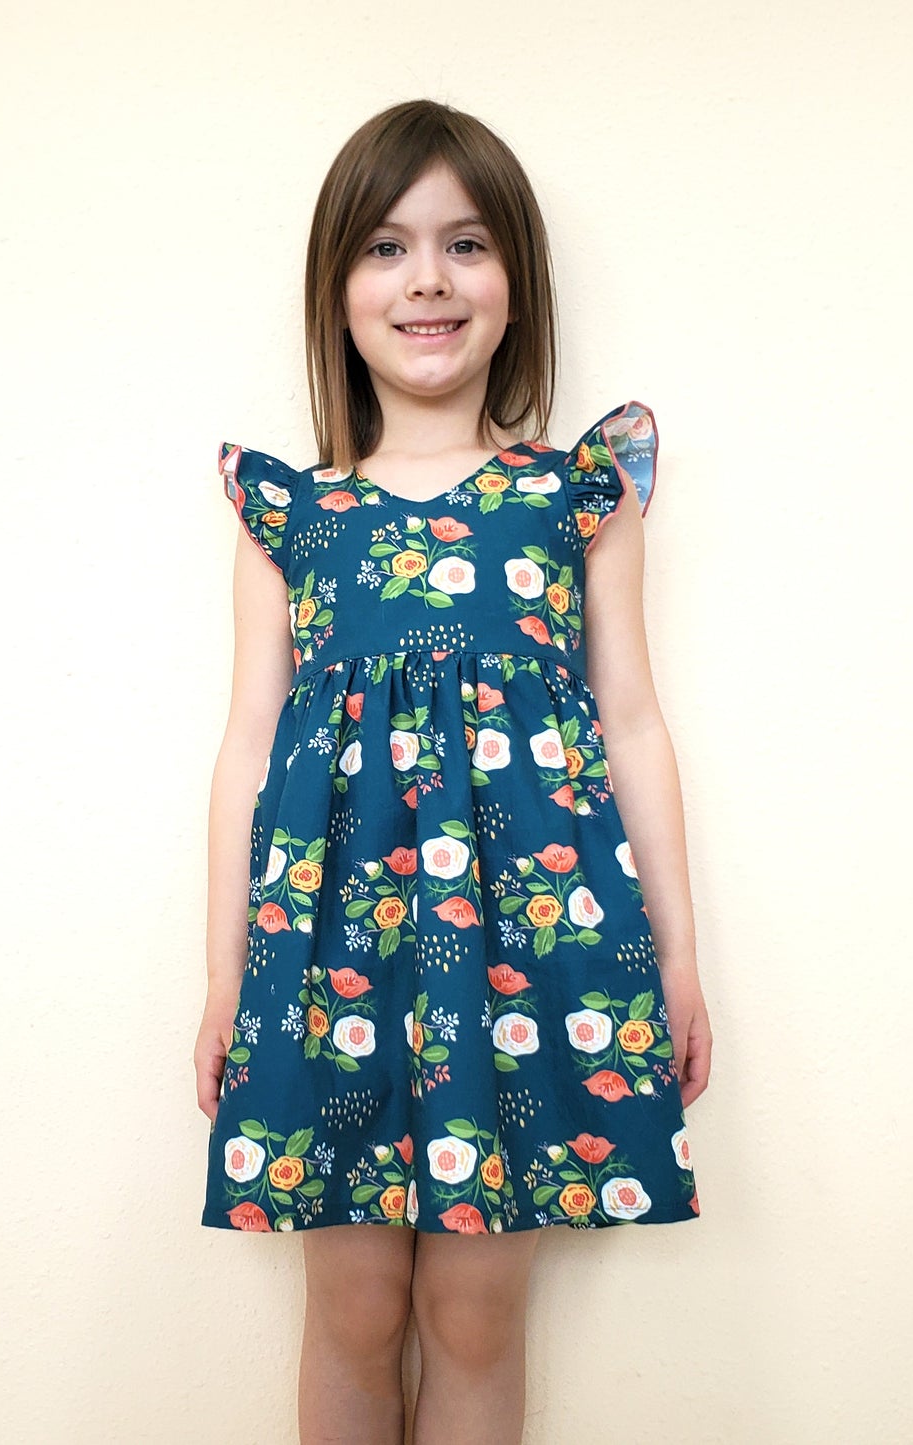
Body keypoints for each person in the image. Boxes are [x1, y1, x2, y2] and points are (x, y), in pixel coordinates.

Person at [192, 98, 714, 1445]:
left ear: (514, 284)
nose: (426, 278)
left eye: (464, 244)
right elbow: (249, 744)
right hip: (331, 954)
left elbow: (632, 722)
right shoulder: (292, 515)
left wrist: (675, 959)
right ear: (338, 290)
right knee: (354, 1311)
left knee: (474, 1320)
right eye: (386, 247)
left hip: (530, 952)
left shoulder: (575, 496)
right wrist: (227, 979)